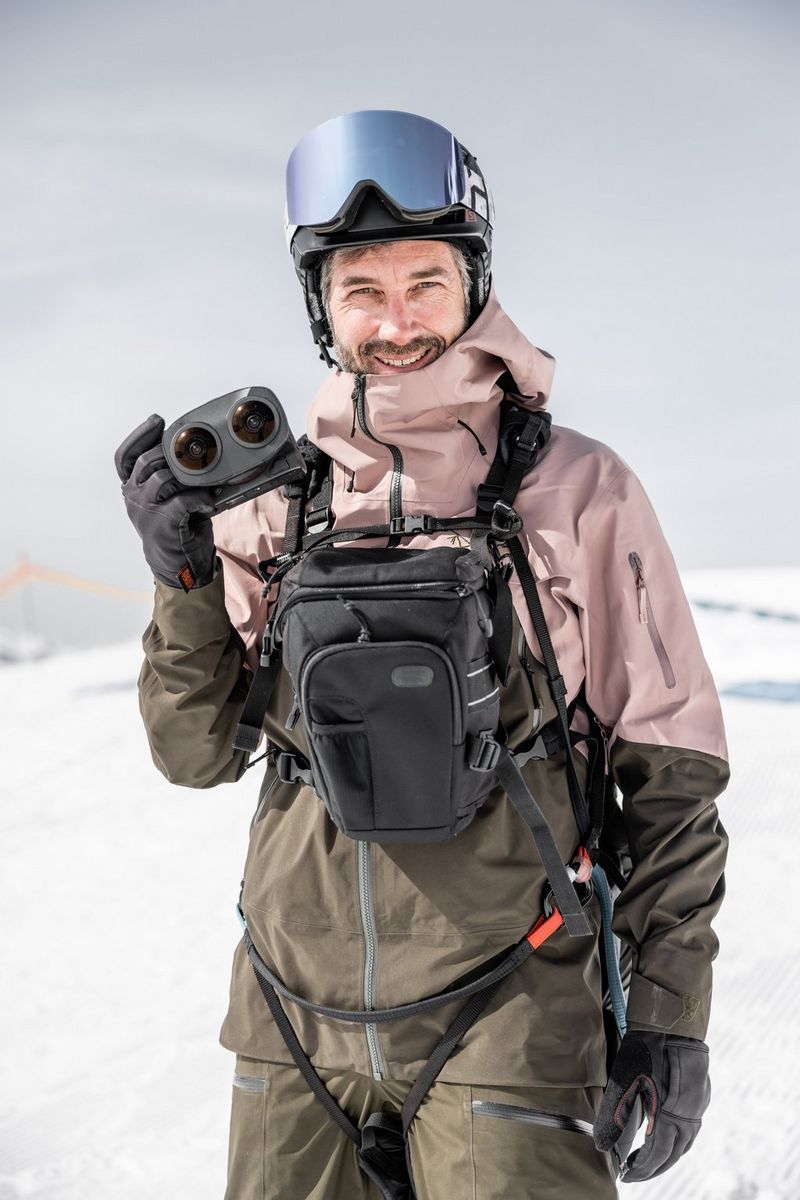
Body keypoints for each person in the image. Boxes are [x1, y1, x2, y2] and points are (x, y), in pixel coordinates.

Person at [115, 110, 729, 1199]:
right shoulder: (272, 500)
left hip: (510, 1024)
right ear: (324, 310)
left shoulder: (577, 491)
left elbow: (669, 785)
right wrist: (183, 580)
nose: (395, 321)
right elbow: (194, 753)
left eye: (423, 285)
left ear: (472, 287)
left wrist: (670, 1022)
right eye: (361, 290)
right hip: (289, 1028)